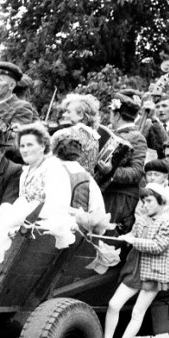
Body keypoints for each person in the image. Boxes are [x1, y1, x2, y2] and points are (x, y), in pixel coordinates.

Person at [104, 184, 169, 338]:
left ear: (161, 201)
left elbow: (158, 246)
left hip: (154, 272)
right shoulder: (142, 219)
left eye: (149, 201)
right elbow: (133, 235)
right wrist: (124, 239)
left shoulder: (168, 222)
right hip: (136, 269)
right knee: (114, 304)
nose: (145, 205)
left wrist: (133, 240)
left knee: (138, 313)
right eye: (143, 201)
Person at [96, 92, 147, 234]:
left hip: (120, 198)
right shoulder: (108, 131)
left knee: (108, 238)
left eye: (111, 112)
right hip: (105, 193)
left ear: (117, 115)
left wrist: (111, 171)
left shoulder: (137, 138)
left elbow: (137, 172)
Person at [14, 123, 72, 218]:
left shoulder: (53, 169)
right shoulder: (25, 172)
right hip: (25, 224)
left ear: (42, 146)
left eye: (30, 145)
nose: (25, 150)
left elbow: (57, 208)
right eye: (22, 146)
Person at [52, 137, 105, 214]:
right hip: (77, 223)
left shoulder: (48, 171)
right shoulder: (88, 180)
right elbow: (99, 214)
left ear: (56, 152)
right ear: (79, 156)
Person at [52, 93, 100, 175]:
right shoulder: (95, 138)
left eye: (68, 112)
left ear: (81, 115)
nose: (64, 115)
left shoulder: (63, 134)